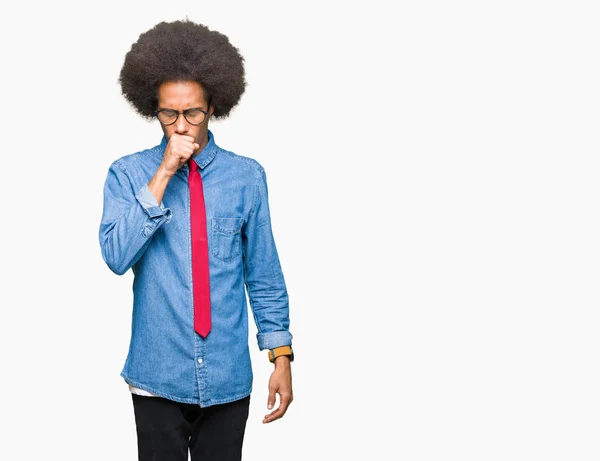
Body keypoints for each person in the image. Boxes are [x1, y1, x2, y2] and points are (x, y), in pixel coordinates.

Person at [99, 19, 294, 461]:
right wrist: (164, 173)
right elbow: (114, 255)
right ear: (154, 108)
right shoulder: (128, 174)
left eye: (192, 113)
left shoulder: (247, 177)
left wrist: (280, 355)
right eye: (169, 113)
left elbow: (262, 274)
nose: (181, 125)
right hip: (157, 376)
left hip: (228, 377)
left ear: (213, 107)